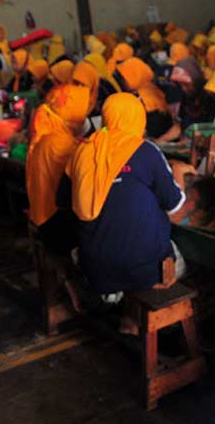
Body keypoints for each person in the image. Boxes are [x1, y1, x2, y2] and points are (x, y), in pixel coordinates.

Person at [67, 93, 185, 297]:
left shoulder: (83, 151)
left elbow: (66, 200)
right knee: (183, 261)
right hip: (144, 269)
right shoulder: (146, 151)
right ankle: (130, 304)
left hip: (94, 266)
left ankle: (114, 298)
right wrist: (179, 172)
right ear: (138, 118)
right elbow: (174, 204)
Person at [26, 84, 90, 254]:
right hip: (56, 224)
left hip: (43, 217)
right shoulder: (60, 143)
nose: (85, 119)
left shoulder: (48, 135)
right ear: (70, 116)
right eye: (82, 115)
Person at [113, 57, 175, 141]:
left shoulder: (137, 99)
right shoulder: (153, 89)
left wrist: (104, 129)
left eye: (123, 78)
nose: (120, 81)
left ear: (134, 78)